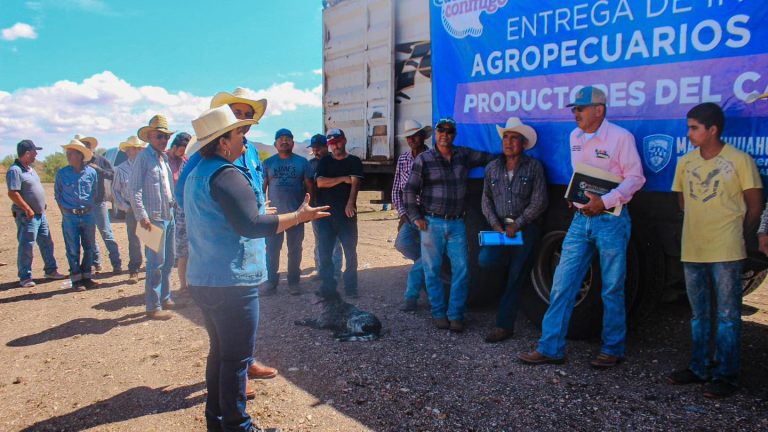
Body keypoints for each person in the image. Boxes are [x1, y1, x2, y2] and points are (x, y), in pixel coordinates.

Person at [186, 105, 329, 432]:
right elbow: (251, 225)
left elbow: (226, 215)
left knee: (220, 355)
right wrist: (298, 216)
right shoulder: (226, 174)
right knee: (235, 360)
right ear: (223, 141)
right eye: (239, 133)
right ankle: (239, 426)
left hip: (204, 278)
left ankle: (217, 422)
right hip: (231, 282)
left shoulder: (198, 172)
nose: (245, 139)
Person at [518, 86, 645, 368]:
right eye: (574, 109)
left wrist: (605, 201)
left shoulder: (621, 137)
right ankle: (550, 347)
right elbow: (582, 175)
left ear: (599, 110)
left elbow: (635, 178)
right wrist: (574, 196)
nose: (575, 113)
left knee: (612, 288)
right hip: (580, 220)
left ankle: (612, 349)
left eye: (580, 108)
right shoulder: (574, 136)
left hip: (611, 221)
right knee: (562, 284)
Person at [181, 88, 279, 383]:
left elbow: (252, 189)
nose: (244, 120)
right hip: (225, 253)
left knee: (240, 326)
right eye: (238, 113)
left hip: (247, 245)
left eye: (248, 115)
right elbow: (186, 193)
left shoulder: (250, 151)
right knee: (230, 327)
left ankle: (245, 363)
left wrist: (258, 208)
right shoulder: (205, 154)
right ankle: (238, 377)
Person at [667, 102, 763, 398]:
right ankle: (699, 367)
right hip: (693, 248)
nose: (689, 133)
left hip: (726, 250)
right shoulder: (685, 162)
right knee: (699, 314)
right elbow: (683, 202)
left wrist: (736, 233)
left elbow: (755, 205)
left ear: (712, 130)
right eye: (688, 127)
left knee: (727, 315)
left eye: (694, 128)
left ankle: (726, 376)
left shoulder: (740, 161)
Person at [403, 117, 494, 333]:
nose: (445, 134)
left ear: (454, 134)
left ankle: (456, 316)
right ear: (436, 133)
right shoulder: (424, 159)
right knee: (432, 271)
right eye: (441, 130)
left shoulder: (463, 155)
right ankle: (438, 314)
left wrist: (511, 157)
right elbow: (409, 190)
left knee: (462, 270)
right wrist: (416, 217)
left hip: (457, 224)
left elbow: (489, 158)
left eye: (449, 130)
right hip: (431, 223)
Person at [480, 117, 547, 343]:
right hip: (499, 230)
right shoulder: (492, 168)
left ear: (523, 143)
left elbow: (540, 201)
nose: (508, 142)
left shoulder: (534, 167)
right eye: (506, 137)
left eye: (514, 138)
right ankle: (511, 274)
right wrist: (495, 225)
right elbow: (486, 201)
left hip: (524, 229)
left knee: (515, 276)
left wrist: (517, 224)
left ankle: (503, 326)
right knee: (485, 261)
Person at [130, 115, 177, 320]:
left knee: (169, 260)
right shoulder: (143, 158)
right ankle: (153, 305)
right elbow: (134, 189)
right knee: (154, 263)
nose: (163, 140)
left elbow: (167, 187)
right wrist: (142, 216)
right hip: (152, 218)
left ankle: (165, 297)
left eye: (166, 137)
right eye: (159, 136)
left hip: (168, 215)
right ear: (149, 136)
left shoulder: (163, 158)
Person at [7, 140, 67, 287]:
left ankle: (51, 270)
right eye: (34, 152)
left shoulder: (30, 169)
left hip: (40, 214)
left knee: (46, 242)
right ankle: (25, 276)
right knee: (27, 245)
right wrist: (27, 208)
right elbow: (13, 193)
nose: (36, 155)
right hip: (27, 215)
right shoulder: (15, 170)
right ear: (27, 153)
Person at [262, 128, 313, 295]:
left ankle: (294, 282)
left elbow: (309, 186)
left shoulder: (302, 162)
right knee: (272, 250)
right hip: (273, 216)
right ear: (275, 144)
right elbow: (262, 187)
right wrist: (261, 208)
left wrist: (307, 209)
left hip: (296, 214)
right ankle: (271, 283)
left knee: (295, 250)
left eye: (288, 138)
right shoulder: (268, 163)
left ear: (293, 142)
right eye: (281, 139)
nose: (284, 141)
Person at [315, 128, 364, 300]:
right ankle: (328, 287)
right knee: (325, 254)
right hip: (326, 215)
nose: (335, 146)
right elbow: (320, 183)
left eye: (337, 142)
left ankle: (351, 287)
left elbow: (355, 184)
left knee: (350, 253)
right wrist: (343, 179)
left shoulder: (354, 161)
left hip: (346, 215)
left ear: (344, 140)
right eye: (331, 144)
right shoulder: (325, 161)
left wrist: (350, 203)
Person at [392, 120, 431, 312]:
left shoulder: (432, 157)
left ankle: (411, 297)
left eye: (415, 135)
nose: (411, 139)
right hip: (409, 214)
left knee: (426, 256)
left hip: (428, 214)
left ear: (423, 136)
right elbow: (396, 189)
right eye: (408, 137)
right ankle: (428, 261)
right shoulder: (403, 159)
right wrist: (402, 213)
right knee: (402, 244)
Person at [54, 139, 99, 291]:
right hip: (70, 216)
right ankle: (76, 279)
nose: (68, 156)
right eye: (67, 153)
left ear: (80, 155)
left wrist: (89, 209)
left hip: (88, 214)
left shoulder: (91, 173)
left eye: (71, 153)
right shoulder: (62, 174)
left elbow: (95, 192)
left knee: (89, 247)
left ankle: (87, 276)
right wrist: (65, 213)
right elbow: (58, 195)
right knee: (72, 248)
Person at [77, 134, 122, 274]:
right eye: (82, 145)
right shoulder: (79, 162)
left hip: (99, 202)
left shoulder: (101, 160)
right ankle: (96, 263)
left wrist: (99, 170)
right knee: (89, 235)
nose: (85, 148)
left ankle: (116, 263)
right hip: (84, 204)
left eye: (87, 145)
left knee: (106, 233)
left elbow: (112, 175)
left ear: (91, 147)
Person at [307, 134, 342, 282]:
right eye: (314, 148)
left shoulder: (337, 162)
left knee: (335, 241)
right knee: (319, 241)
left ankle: (336, 272)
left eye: (318, 148)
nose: (316, 151)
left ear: (326, 146)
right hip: (316, 207)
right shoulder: (310, 164)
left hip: (334, 208)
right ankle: (321, 271)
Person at [112, 136, 147, 284]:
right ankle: (134, 269)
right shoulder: (121, 169)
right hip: (131, 208)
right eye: (135, 148)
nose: (138, 151)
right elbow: (115, 191)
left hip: (146, 207)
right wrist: (125, 207)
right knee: (134, 240)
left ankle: (151, 267)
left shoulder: (146, 166)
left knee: (150, 238)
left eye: (139, 148)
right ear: (128, 151)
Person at [167, 132, 191, 291]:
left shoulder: (186, 162)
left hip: (181, 208)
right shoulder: (163, 160)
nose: (183, 153)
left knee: (185, 250)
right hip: (170, 208)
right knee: (179, 250)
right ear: (174, 146)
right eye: (182, 150)